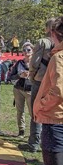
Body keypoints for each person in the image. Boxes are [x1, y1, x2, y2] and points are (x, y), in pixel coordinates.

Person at [26, 16, 63, 165]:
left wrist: (40, 105)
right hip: (56, 120)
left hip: (54, 121)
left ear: (54, 34)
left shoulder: (58, 58)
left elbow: (59, 90)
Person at [23, 18, 56, 152]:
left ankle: (34, 143)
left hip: (40, 79)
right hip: (55, 81)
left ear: (47, 28)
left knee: (36, 111)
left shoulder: (43, 42)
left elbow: (34, 62)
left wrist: (32, 74)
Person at [10, 47, 33, 137]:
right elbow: (11, 77)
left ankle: (34, 133)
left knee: (32, 112)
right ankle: (21, 130)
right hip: (18, 89)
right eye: (24, 50)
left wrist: (30, 75)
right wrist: (20, 75)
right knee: (20, 111)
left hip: (31, 90)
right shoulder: (19, 63)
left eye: (28, 50)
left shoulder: (36, 63)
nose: (26, 52)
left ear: (33, 51)